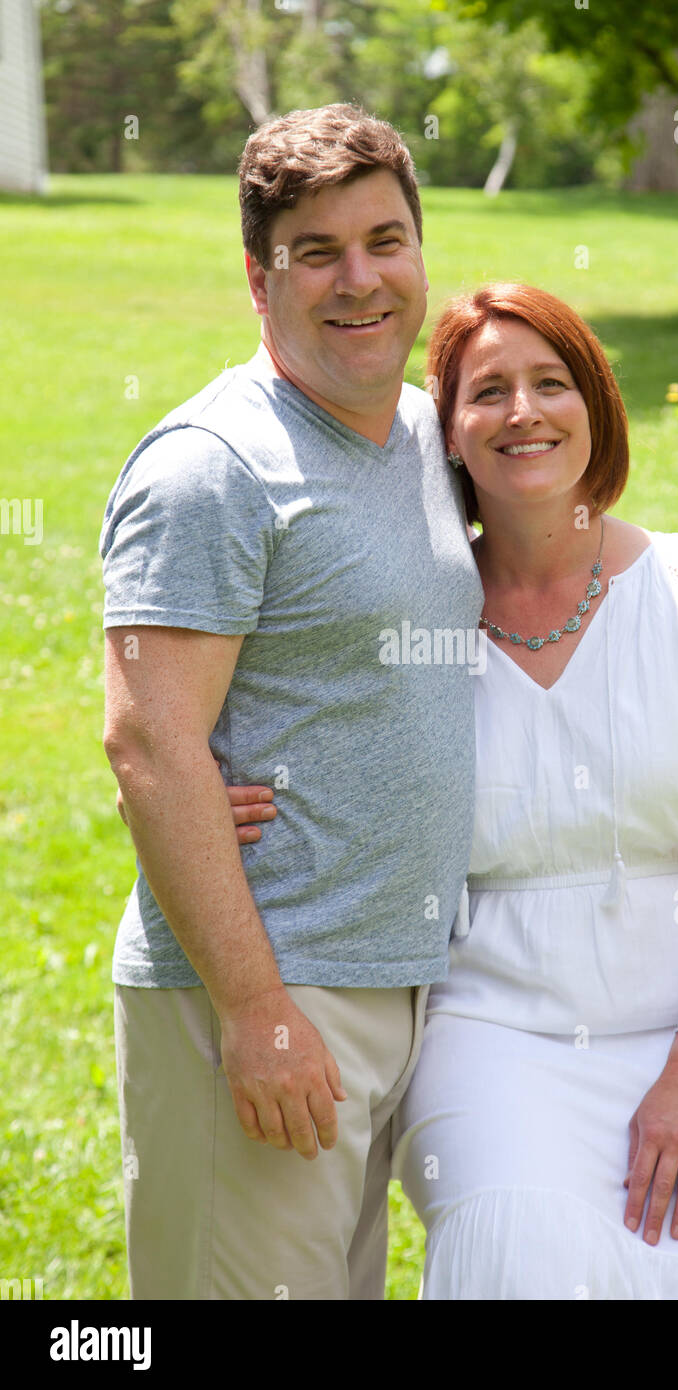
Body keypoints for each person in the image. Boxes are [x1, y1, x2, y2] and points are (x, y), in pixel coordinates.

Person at [225, 282, 678, 1300]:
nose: (522, 412)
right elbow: (293, 733)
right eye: (485, 392)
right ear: (445, 434)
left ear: (594, 407)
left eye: (550, 383)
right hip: (491, 1030)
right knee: (517, 1261)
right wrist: (211, 792)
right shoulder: (417, 616)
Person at [100, 104, 483, 1301]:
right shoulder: (211, 466)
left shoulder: (428, 432)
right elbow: (152, 744)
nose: (359, 279)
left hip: (395, 982)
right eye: (315, 251)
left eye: (385, 239)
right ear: (259, 277)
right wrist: (257, 1010)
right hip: (264, 987)